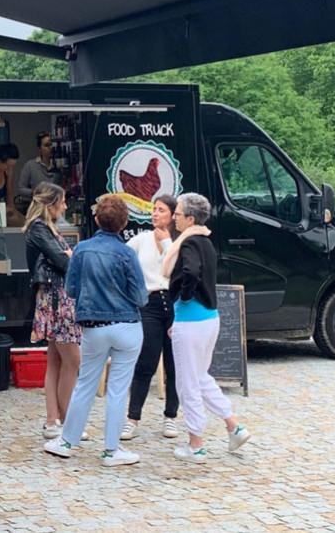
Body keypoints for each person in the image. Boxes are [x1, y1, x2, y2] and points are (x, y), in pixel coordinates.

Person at [44, 194, 147, 466]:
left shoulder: (82, 251)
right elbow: (140, 296)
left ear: (97, 218)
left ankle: (67, 441)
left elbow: (71, 289)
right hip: (127, 325)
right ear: (124, 223)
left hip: (94, 327)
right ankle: (112, 450)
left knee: (85, 384)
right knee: (117, 389)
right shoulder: (127, 253)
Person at [160, 192, 252, 463]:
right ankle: (233, 425)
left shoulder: (188, 245)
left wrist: (184, 298)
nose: (174, 217)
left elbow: (190, 273)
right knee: (200, 377)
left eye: (177, 213)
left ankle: (196, 444)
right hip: (209, 318)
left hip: (191, 319)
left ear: (190, 218)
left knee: (187, 383)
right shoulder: (205, 242)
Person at [24, 182, 82, 440]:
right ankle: (66, 421)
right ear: (51, 204)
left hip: (53, 297)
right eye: (63, 201)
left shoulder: (44, 229)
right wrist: (69, 254)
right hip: (57, 299)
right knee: (73, 360)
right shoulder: (39, 229)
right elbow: (63, 261)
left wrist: (69, 254)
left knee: (56, 361)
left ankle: (53, 420)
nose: (66, 206)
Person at [121, 193, 181, 441]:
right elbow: (122, 260)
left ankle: (171, 416)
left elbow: (179, 270)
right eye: (154, 209)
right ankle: (132, 417)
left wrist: (167, 242)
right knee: (145, 362)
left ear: (173, 215)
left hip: (175, 302)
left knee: (174, 364)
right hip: (149, 304)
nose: (155, 214)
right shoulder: (140, 240)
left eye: (162, 210)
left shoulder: (178, 242)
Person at [16, 133, 59, 214]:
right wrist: (35, 192)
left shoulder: (60, 167)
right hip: (36, 210)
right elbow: (21, 189)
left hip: (55, 210)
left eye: (52, 145)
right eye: (47, 145)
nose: (51, 148)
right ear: (40, 149)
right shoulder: (30, 166)